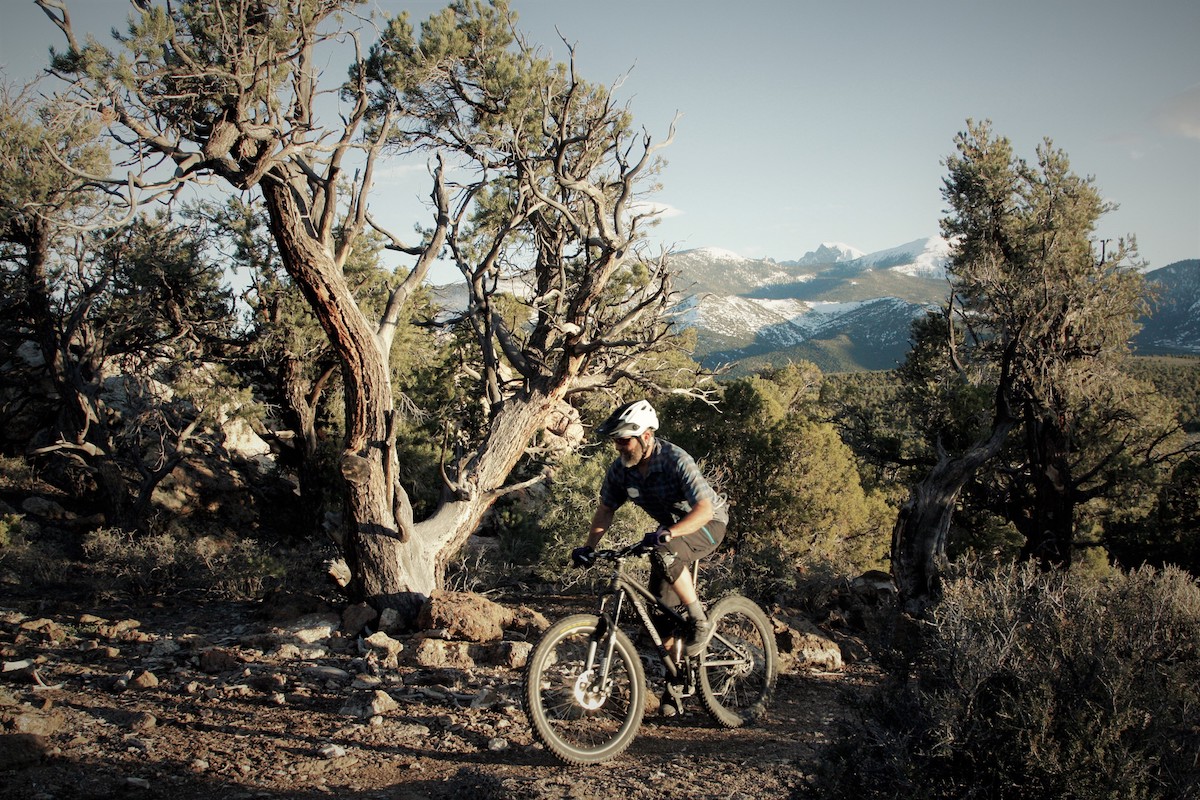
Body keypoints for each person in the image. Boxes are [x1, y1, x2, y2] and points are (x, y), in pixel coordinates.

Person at [571, 400, 728, 665]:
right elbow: (606, 509)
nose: (618, 447)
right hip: (669, 536)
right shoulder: (621, 470)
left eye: (624, 441)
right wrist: (589, 547)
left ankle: (699, 620)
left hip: (708, 524)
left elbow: (704, 510)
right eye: (616, 441)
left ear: (645, 436)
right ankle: (675, 678)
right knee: (659, 615)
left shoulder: (676, 460)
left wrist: (669, 533)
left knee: (664, 550)